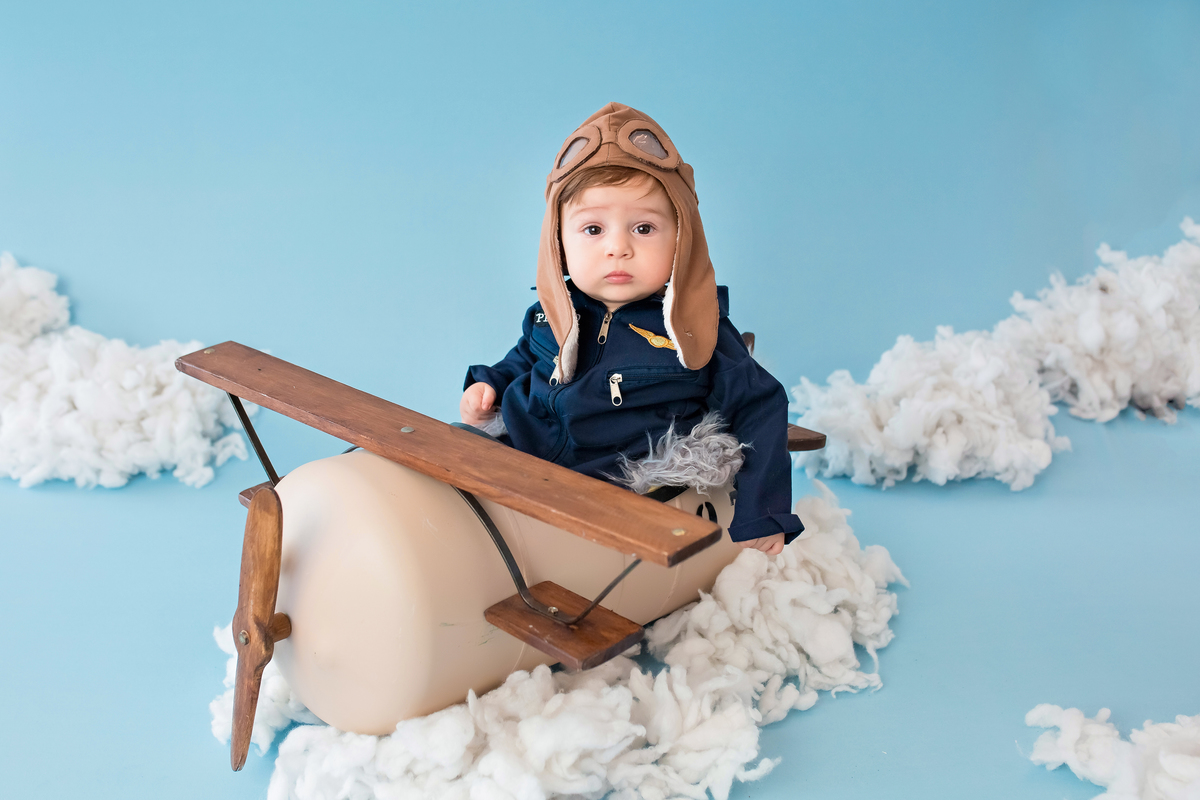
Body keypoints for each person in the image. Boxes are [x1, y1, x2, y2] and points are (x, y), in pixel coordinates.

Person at [461, 102, 802, 555]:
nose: (617, 248)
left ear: (681, 239)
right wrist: (489, 384)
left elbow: (760, 406)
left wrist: (764, 512)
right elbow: (525, 356)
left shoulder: (695, 328)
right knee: (451, 456)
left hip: (615, 477)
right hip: (526, 449)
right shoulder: (552, 311)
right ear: (557, 242)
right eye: (593, 229)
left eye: (643, 228)